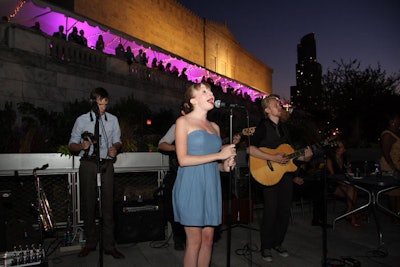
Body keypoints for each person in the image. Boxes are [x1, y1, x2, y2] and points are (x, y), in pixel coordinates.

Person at [173, 82, 236, 267]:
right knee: (195, 241)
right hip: (191, 185)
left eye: (210, 91)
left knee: (208, 240)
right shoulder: (183, 122)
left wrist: (223, 167)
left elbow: (211, 164)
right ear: (193, 100)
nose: (211, 94)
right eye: (204, 91)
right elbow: (183, 159)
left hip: (211, 186)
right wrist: (219, 155)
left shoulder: (215, 127)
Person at [248, 94, 313, 263]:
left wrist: (304, 157)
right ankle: (266, 247)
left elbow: (290, 153)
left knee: (284, 211)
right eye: (275, 104)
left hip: (284, 175)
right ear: (267, 110)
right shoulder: (262, 126)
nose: (279, 106)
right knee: (271, 211)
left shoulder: (284, 128)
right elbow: (250, 149)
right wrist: (272, 157)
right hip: (266, 172)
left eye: (279, 103)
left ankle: (278, 243)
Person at [68, 87, 124, 259]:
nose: (103, 108)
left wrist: (115, 148)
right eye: (100, 104)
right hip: (87, 164)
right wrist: (81, 146)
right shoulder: (82, 120)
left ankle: (109, 245)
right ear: (93, 103)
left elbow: (118, 141)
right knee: (88, 204)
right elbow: (72, 144)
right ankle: (90, 243)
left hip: (106, 164)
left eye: (105, 104)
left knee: (108, 206)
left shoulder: (112, 120)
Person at [158, 103, 189, 251]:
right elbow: (161, 144)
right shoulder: (177, 126)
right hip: (179, 173)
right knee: (176, 207)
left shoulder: (205, 126)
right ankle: (178, 238)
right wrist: (176, 148)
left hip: (197, 175)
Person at [326, 140, 360, 227]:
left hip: (345, 183)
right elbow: (332, 176)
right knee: (353, 190)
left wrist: (350, 172)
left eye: (342, 147)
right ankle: (351, 215)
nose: (342, 149)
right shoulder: (330, 160)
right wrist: (342, 182)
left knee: (353, 190)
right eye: (340, 147)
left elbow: (350, 173)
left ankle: (349, 212)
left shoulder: (345, 159)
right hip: (334, 184)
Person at [380, 111, 400, 223]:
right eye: (397, 119)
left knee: (398, 192)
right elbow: (386, 153)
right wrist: (393, 167)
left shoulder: (397, 132)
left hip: (398, 164)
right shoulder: (387, 135)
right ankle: (394, 215)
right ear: (392, 121)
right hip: (390, 165)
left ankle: (397, 213)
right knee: (393, 192)